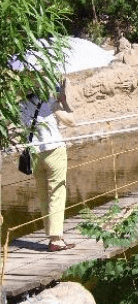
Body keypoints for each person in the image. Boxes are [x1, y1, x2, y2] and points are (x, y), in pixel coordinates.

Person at [20, 78, 76, 252]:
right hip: (54, 150)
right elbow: (71, 121)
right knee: (57, 193)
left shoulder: (21, 105)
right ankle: (56, 240)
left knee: (44, 196)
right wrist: (63, 102)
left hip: (34, 154)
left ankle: (53, 236)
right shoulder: (50, 100)